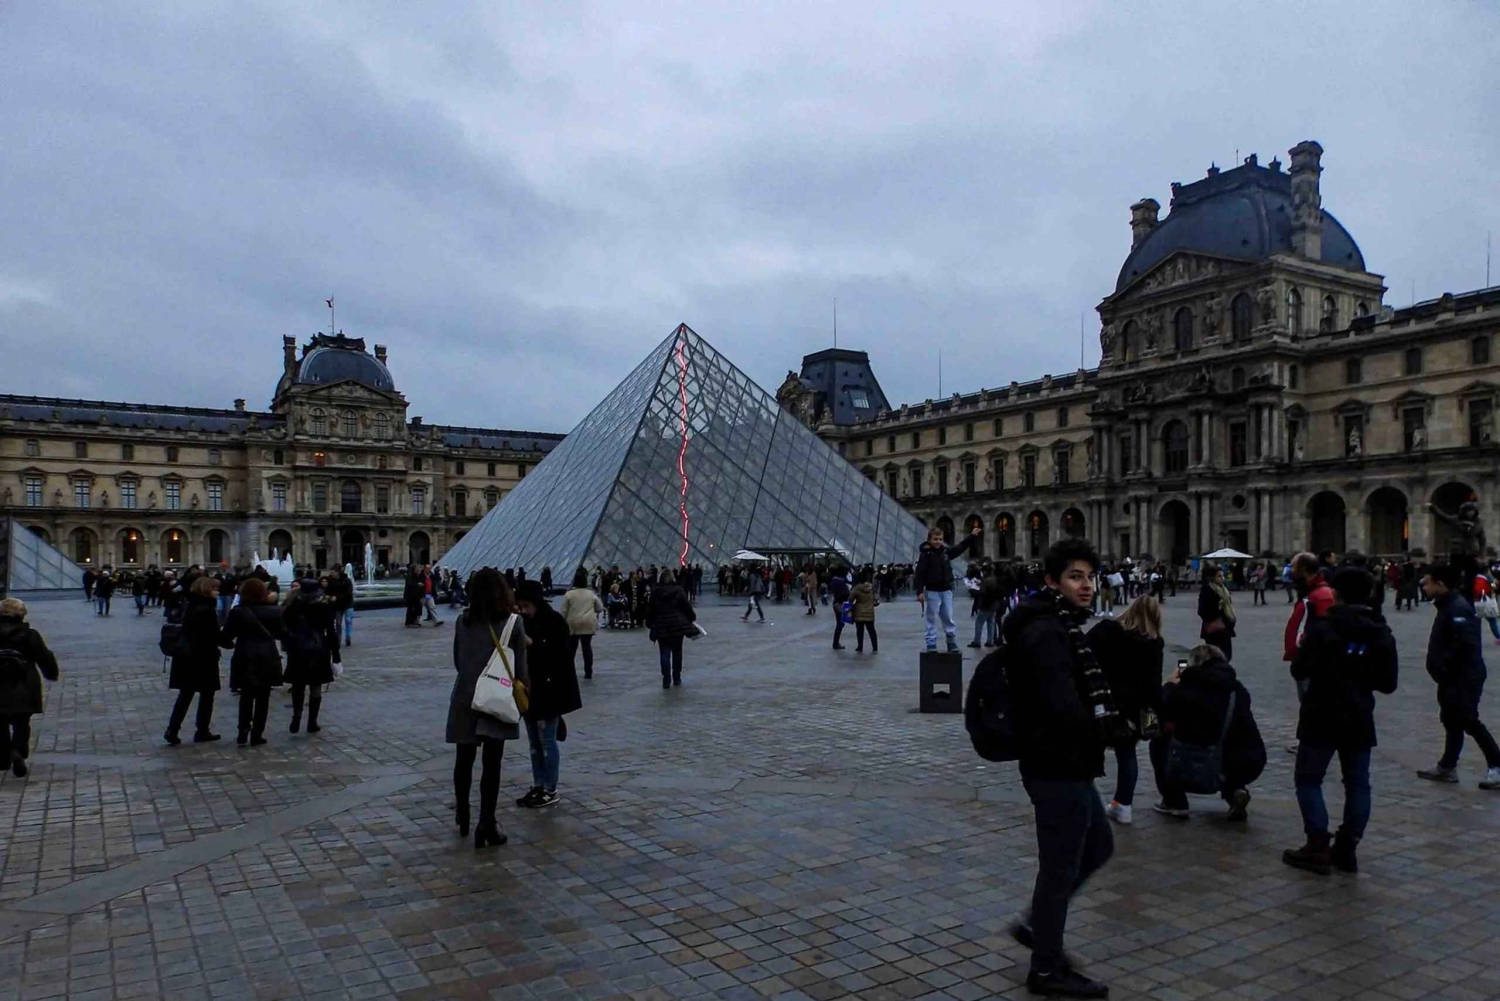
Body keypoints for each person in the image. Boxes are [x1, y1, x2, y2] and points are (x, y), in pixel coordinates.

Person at [1003, 538, 1123, 999]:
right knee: (1058, 870)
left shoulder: (1061, 625)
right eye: (1075, 576)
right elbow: (1062, 708)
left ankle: (1038, 927)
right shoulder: (1047, 633)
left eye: (1090, 576)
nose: (1087, 585)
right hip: (1055, 764)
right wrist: (1110, 729)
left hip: (1067, 763)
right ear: (1053, 581)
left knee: (1099, 844)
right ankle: (1046, 968)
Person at [1283, 567, 1398, 874]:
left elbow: (1299, 670)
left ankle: (1317, 845)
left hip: (1320, 713)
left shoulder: (1322, 628)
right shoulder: (1380, 632)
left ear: (1336, 593)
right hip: (1359, 714)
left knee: (1308, 780)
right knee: (1358, 783)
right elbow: (1388, 683)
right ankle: (1347, 847)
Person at [448, 568, 529, 846]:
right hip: (497, 696)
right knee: (492, 764)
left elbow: (458, 660)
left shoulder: (462, 622)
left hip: (466, 696)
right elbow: (521, 670)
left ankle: (462, 812)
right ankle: (486, 824)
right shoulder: (513, 623)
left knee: (463, 759)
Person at [1151, 644, 1267, 820]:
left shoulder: (1184, 689)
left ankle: (1174, 800)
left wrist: (1169, 685)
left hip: (1196, 759)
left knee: (1158, 743)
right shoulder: (1237, 689)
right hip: (1245, 759)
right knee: (1231, 747)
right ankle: (1235, 792)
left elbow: (1160, 714)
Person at [1416, 563, 1500, 789]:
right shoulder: (1447, 605)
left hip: (1463, 677)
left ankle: (1497, 764)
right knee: (1451, 720)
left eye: (1427, 582)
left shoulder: (1458, 608)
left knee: (1469, 720)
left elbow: (1465, 646)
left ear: (1440, 584)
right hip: (1451, 677)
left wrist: (1444, 668)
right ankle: (1447, 766)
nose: (1424, 587)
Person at [1087, 595, 1164, 826]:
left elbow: (1083, 652)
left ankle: (1085, 801)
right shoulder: (1154, 643)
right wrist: (1154, 717)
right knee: (1127, 755)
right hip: (1132, 710)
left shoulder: (1107, 630)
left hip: (1102, 702)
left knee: (1090, 752)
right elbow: (1153, 685)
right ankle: (1123, 805)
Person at [514, 579, 580, 809]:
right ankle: (538, 784)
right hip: (530, 691)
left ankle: (550, 788)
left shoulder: (554, 621)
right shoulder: (522, 621)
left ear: (536, 602)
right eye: (520, 607)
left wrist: (532, 644)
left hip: (550, 691)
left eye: (526, 606)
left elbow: (562, 656)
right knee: (534, 743)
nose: (523, 610)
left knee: (547, 741)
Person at [219, 577, 285, 747]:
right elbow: (281, 634)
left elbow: (225, 637)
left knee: (246, 695)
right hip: (267, 654)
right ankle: (257, 733)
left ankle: (243, 729)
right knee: (264, 696)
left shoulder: (237, 612)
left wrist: (230, 644)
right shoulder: (275, 611)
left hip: (245, 653)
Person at [0, 598, 62, 777]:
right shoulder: (30, 635)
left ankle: (4, 756)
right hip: (24, 683)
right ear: (22, 614)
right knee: (21, 722)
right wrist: (51, 673)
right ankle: (18, 750)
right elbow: (44, 656)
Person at [164, 576, 224, 745]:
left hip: (186, 655)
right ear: (207, 590)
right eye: (215, 589)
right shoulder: (207, 609)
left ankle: (172, 729)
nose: (217, 592)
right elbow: (214, 634)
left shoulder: (189, 604)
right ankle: (202, 730)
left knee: (185, 695)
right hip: (203, 656)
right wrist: (229, 641)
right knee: (207, 695)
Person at [281, 578, 342, 735]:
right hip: (319, 646)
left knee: (298, 685)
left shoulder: (294, 604)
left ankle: (297, 715)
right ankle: (312, 721)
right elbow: (332, 631)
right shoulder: (325, 605)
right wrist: (336, 656)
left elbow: (284, 625)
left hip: (298, 647)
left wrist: (288, 643)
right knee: (316, 685)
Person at [914, 525, 982, 653]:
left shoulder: (945, 552)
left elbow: (960, 547)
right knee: (931, 617)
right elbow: (920, 574)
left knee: (948, 617)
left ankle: (951, 641)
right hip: (932, 590)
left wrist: (972, 536)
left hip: (946, 590)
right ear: (929, 540)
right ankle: (931, 643)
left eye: (940, 539)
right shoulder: (925, 555)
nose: (938, 542)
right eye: (935, 539)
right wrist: (919, 591)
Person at [646, 569, 697, 689]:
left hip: (661, 625)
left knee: (664, 653)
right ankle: (677, 677)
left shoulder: (655, 591)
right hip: (677, 625)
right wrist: (691, 618)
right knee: (677, 652)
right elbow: (686, 606)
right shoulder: (679, 590)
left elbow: (650, 609)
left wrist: (650, 623)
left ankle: (666, 679)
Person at [560, 568, 603, 680]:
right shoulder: (591, 594)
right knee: (586, 647)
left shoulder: (569, 594)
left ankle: (569, 671)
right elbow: (599, 608)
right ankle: (588, 672)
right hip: (588, 622)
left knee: (572, 648)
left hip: (573, 623)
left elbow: (563, 612)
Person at [1196, 564, 1237, 660]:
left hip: (1225, 627)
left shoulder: (1223, 589)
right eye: (1219, 576)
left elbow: (1228, 606)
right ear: (1212, 577)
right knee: (1215, 656)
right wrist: (1216, 611)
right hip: (1213, 629)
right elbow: (1202, 610)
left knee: (1227, 655)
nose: (1222, 578)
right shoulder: (1207, 590)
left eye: (1223, 576)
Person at [969, 565, 1003, 648]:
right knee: (991, 623)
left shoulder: (986, 580)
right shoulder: (996, 579)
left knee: (979, 623)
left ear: (986, 571)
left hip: (985, 605)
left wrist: (974, 591)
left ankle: (977, 641)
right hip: (994, 605)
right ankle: (990, 641)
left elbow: (982, 592)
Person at [850, 569, 879, 653]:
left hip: (859, 612)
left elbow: (850, 599)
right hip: (870, 612)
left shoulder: (857, 588)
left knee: (860, 631)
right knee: (871, 630)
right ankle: (875, 647)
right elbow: (876, 599)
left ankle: (860, 646)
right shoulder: (871, 587)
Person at [327, 566, 354, 647]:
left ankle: (348, 636)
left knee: (348, 621)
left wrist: (337, 597)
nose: (331, 574)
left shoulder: (346, 580)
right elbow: (328, 591)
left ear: (337, 572)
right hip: (338, 605)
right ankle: (338, 640)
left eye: (333, 572)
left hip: (348, 604)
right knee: (338, 623)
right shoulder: (331, 581)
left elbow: (349, 592)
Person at [829, 567, 852, 650]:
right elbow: (845, 593)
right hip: (841, 603)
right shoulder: (841, 582)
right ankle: (836, 643)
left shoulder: (834, 580)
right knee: (840, 624)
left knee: (839, 623)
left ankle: (836, 642)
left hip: (836, 602)